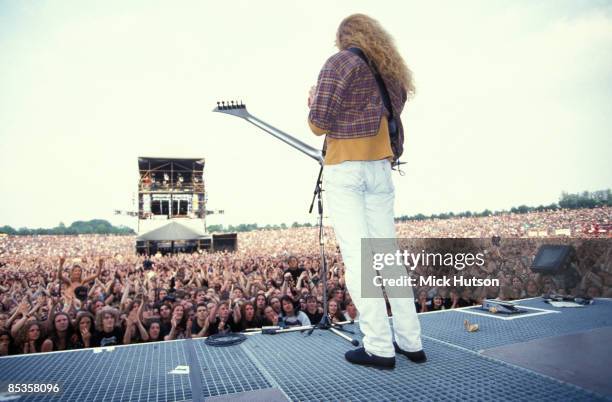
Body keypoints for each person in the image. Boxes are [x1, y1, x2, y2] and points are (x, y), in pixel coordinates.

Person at [308, 14, 425, 369]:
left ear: (344, 37)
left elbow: (318, 123)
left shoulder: (339, 62)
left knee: (360, 261)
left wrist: (312, 99)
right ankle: (411, 342)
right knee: (388, 258)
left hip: (346, 169)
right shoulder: (390, 72)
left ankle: (378, 346)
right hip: (380, 170)